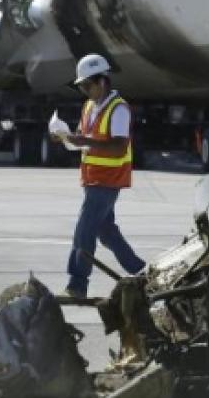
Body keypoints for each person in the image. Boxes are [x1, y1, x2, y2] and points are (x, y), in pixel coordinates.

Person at [57, 53, 146, 298]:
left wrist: (84, 141)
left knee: (84, 230)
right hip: (92, 178)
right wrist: (67, 137)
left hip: (108, 180)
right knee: (106, 232)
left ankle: (77, 285)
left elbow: (118, 147)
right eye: (81, 87)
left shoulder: (118, 110)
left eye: (87, 85)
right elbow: (84, 137)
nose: (85, 91)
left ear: (103, 81)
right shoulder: (89, 107)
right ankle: (142, 273)